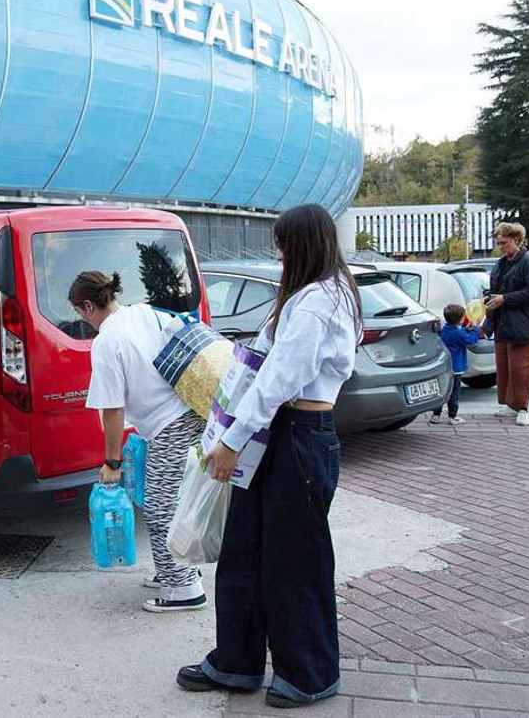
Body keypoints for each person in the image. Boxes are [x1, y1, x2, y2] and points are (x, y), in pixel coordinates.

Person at [176, 204, 361, 709]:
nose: (277, 253)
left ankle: (310, 672)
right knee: (245, 548)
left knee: (294, 560)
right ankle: (235, 661)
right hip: (279, 434)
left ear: (302, 244)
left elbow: (282, 377)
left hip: (299, 434)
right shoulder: (309, 295)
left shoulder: (319, 300)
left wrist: (231, 440)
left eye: (282, 244)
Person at [72, 271, 208, 613]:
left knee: (162, 507)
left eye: (78, 311)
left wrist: (111, 462)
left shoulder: (106, 341)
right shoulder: (142, 312)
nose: (81, 319)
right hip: (192, 409)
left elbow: (113, 409)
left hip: (168, 424)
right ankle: (173, 573)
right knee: (169, 499)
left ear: (88, 306)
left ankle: (184, 589)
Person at [486, 222, 529, 427]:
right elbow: (494, 291)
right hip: (502, 323)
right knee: (503, 367)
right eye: (498, 243)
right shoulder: (501, 263)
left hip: (525, 324)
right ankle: (507, 403)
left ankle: (523, 408)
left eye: (504, 242)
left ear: (517, 240)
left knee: (522, 369)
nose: (501, 246)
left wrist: (505, 299)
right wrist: (487, 315)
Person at [429, 304, 480, 426]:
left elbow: (457, 333)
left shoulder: (444, 330)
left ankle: (436, 415)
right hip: (456, 368)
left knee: (442, 391)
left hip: (444, 367)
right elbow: (470, 340)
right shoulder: (459, 334)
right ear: (461, 319)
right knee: (454, 393)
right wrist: (476, 329)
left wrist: (465, 329)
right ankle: (453, 416)